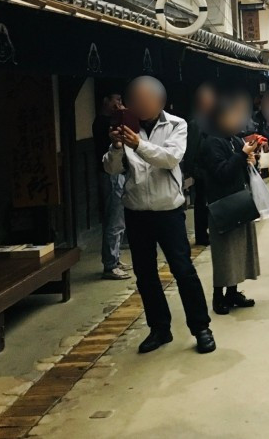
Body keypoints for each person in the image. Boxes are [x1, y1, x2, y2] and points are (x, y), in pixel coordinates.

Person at [103, 76, 215, 354]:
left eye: (145, 99)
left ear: (159, 101)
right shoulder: (127, 127)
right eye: (134, 100)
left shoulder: (176, 124)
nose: (139, 105)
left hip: (168, 211)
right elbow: (111, 169)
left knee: (183, 270)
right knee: (145, 274)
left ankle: (201, 328)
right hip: (136, 211)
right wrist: (116, 147)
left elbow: (170, 158)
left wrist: (138, 145)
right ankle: (159, 328)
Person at [199, 92, 262, 315]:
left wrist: (250, 159)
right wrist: (241, 156)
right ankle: (218, 296)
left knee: (239, 250)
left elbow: (238, 167)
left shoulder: (233, 139)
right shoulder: (212, 141)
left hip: (239, 200)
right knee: (224, 253)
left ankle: (233, 292)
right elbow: (221, 172)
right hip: (222, 204)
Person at [93, 91, 130, 280]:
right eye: (116, 99)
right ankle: (110, 264)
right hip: (110, 173)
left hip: (118, 172)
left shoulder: (111, 120)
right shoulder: (102, 122)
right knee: (114, 218)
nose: (119, 103)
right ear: (105, 100)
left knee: (119, 218)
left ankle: (114, 258)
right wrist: (122, 114)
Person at [185, 83, 216, 247]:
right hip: (202, 169)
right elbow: (192, 147)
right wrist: (191, 170)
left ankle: (207, 232)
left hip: (211, 168)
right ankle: (201, 235)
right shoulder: (196, 123)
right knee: (202, 203)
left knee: (208, 202)